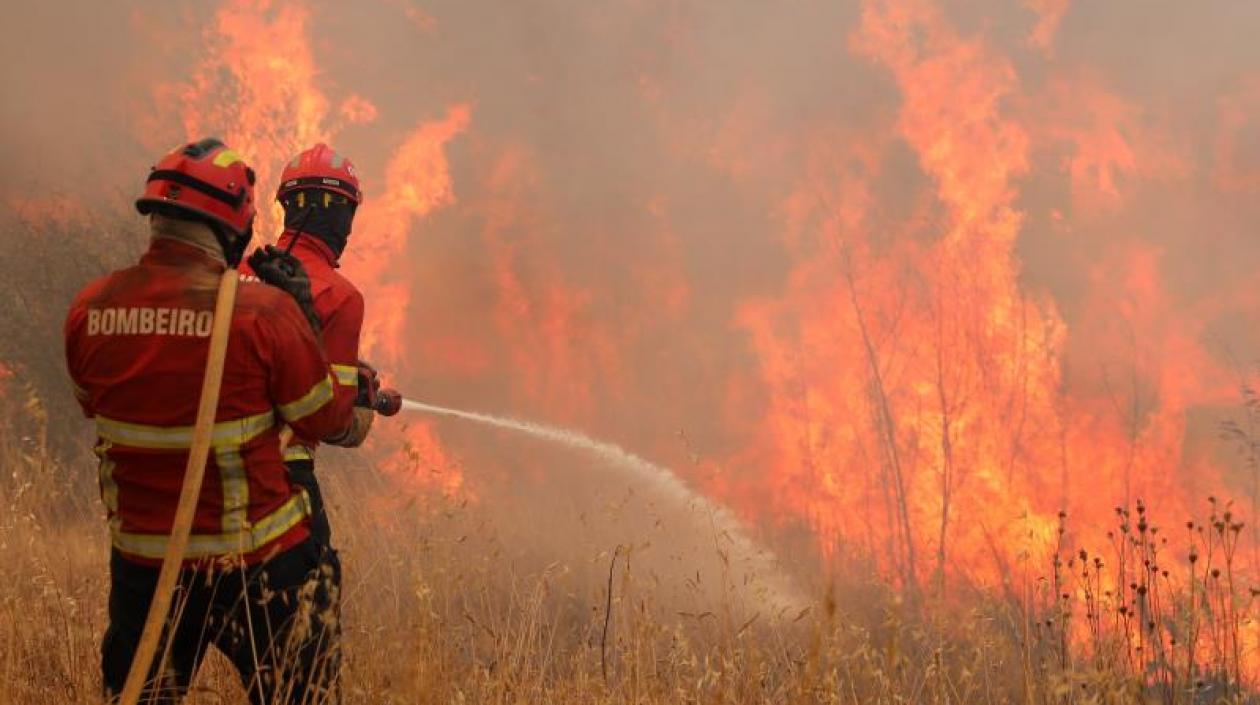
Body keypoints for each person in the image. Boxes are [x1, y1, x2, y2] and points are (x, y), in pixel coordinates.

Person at [64, 138, 350, 704]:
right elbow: (328, 420)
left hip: (145, 566)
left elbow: (93, 403)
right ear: (235, 229)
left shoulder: (89, 309)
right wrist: (305, 316)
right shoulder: (263, 315)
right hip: (261, 568)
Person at [244, 143, 397, 560]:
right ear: (344, 215)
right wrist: (360, 397)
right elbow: (327, 422)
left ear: (286, 206)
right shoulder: (341, 297)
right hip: (283, 478)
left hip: (213, 476)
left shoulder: (239, 273)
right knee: (311, 609)